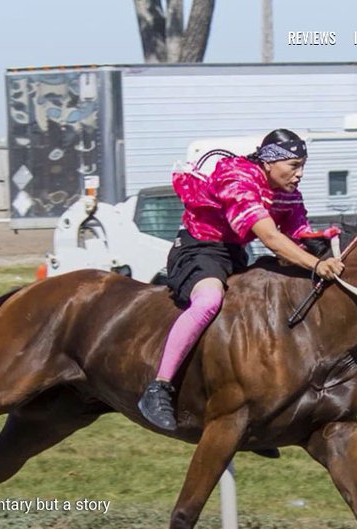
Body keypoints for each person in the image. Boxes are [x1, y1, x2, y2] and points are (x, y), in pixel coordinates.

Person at [137, 128, 345, 433]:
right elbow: (273, 239)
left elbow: (300, 236)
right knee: (209, 302)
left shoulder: (288, 193)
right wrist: (317, 265)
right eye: (294, 166)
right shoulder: (238, 178)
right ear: (270, 163)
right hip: (198, 250)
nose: (300, 174)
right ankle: (159, 388)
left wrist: (331, 244)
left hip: (234, 254)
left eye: (303, 166)